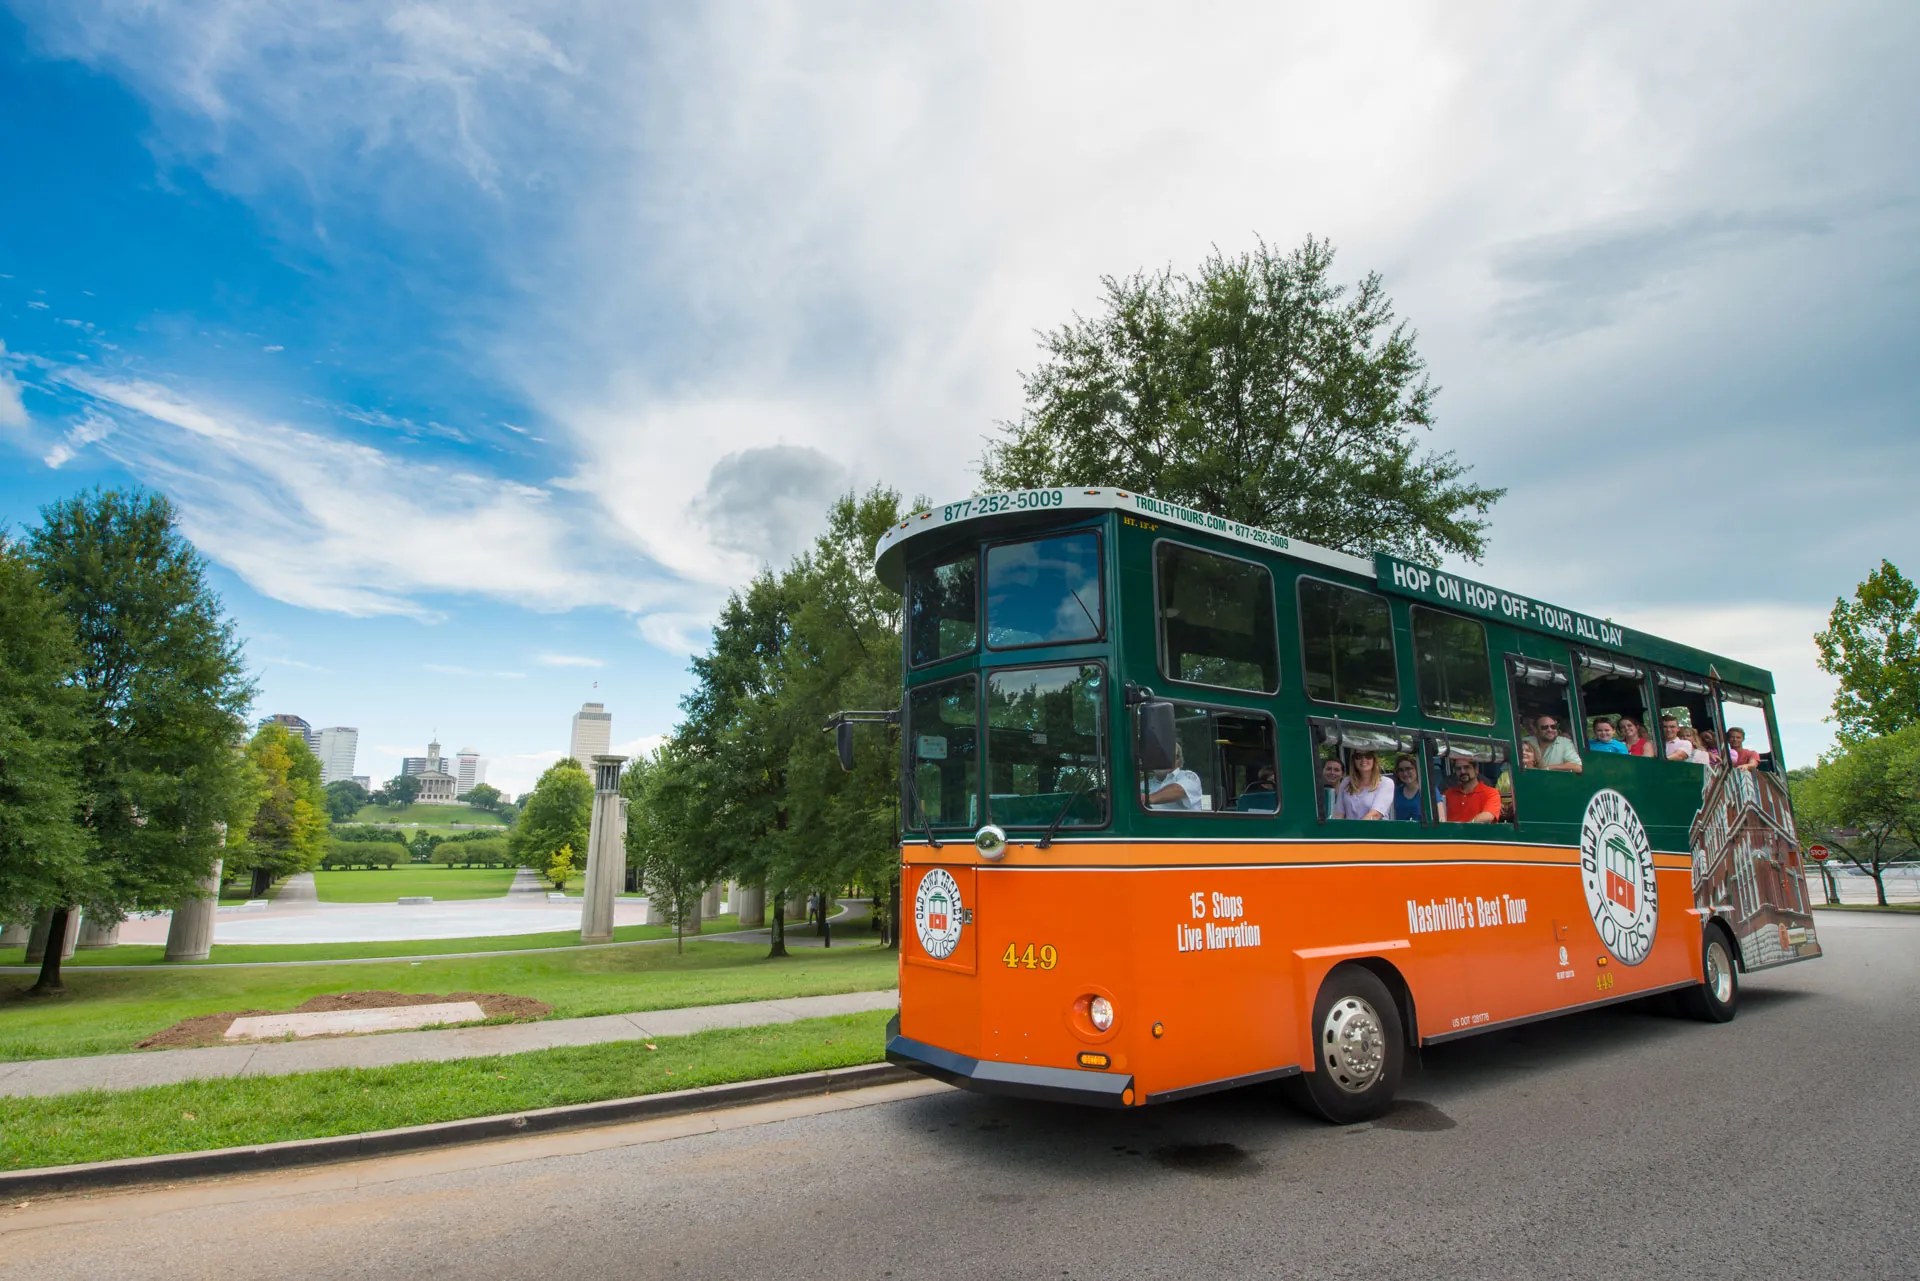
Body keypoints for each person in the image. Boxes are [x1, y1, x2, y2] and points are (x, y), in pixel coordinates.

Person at [1336, 749, 1395, 820]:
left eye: (1368, 756)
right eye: (1358, 756)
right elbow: (1338, 814)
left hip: (1374, 830)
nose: (1363, 759)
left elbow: (1375, 815)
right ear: (1353, 760)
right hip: (1348, 830)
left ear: (1374, 759)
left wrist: (1356, 830)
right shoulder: (1346, 782)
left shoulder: (1386, 783)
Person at [1144, 744, 1204, 811]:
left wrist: (1147, 799)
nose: (1158, 760)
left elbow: (1179, 790)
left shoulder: (1189, 776)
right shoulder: (1142, 784)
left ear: (1177, 758)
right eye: (1154, 757)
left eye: (1163, 756)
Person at [1443, 756, 1502, 823]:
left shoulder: (1491, 793)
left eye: (1466, 767)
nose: (1462, 771)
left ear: (1476, 769)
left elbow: (1488, 816)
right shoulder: (1448, 794)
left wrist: (1463, 829)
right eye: (1458, 769)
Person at [1391, 755, 1423, 821]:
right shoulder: (1395, 792)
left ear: (1417, 769)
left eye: (1408, 769)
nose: (1405, 773)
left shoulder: (1428, 790)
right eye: (1401, 770)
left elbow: (1441, 818)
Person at [1319, 755, 1345, 819]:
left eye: (1336, 770)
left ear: (1342, 774)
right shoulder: (1315, 794)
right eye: (1328, 769)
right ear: (1322, 771)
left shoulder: (1348, 795)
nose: (1332, 772)